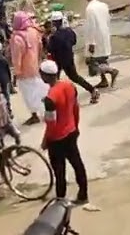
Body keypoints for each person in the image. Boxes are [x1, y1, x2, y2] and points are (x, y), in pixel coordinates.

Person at [38, 60, 89, 205]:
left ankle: (61, 199)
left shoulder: (50, 99)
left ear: (45, 76)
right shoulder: (70, 86)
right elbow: (75, 108)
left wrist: (45, 140)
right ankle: (83, 194)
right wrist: (76, 127)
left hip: (57, 139)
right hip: (71, 132)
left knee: (59, 171)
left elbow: (51, 124)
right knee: (77, 164)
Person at [44, 11, 100, 104]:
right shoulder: (69, 31)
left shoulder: (54, 36)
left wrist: (48, 38)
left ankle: (54, 99)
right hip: (69, 57)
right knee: (75, 77)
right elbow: (74, 42)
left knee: (54, 80)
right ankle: (92, 90)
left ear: (53, 23)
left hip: (58, 60)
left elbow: (49, 49)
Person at [8, 12, 47, 124]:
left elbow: (17, 57)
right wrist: (39, 59)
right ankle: (46, 110)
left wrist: (17, 72)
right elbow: (40, 46)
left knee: (29, 94)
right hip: (35, 65)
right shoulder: (33, 31)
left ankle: (34, 115)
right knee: (40, 89)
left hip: (25, 71)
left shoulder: (17, 38)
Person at [81, 0, 120, 88]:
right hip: (104, 34)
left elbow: (91, 27)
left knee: (93, 63)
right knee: (102, 59)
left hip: (95, 38)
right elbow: (108, 20)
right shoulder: (104, 5)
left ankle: (112, 71)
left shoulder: (90, 9)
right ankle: (104, 80)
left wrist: (91, 43)